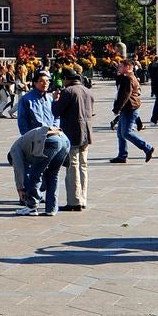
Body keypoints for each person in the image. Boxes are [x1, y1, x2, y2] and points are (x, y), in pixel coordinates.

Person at [7, 123, 69, 216]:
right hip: (64, 140)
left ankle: (32, 207)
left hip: (48, 140)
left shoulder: (14, 150)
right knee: (53, 174)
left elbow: (18, 170)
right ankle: (51, 209)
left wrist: (20, 188)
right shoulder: (25, 145)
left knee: (35, 174)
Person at [54, 73, 94, 212]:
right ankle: (83, 199)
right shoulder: (87, 91)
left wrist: (56, 99)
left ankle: (74, 201)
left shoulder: (68, 92)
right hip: (86, 133)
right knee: (83, 166)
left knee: (72, 165)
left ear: (67, 79)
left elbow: (56, 111)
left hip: (72, 132)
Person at [108, 62, 155, 164]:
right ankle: (122, 156)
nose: (118, 68)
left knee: (126, 133)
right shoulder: (126, 77)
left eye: (121, 66)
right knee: (120, 133)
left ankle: (147, 148)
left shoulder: (128, 78)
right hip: (128, 107)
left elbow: (125, 95)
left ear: (127, 67)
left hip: (130, 107)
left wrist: (117, 108)